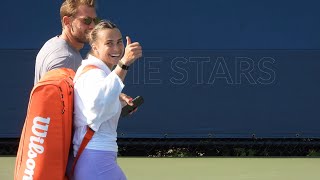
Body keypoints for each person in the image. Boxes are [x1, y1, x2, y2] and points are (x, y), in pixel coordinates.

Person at [72, 20, 142, 180]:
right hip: (95, 158)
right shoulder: (93, 74)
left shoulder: (96, 73)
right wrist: (124, 64)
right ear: (95, 47)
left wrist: (118, 99)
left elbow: (99, 100)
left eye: (119, 42)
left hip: (97, 157)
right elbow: (98, 107)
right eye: (109, 43)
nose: (117, 48)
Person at [34, 0, 98, 84]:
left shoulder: (51, 43)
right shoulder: (66, 59)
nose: (93, 26)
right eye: (86, 20)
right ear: (67, 22)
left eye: (95, 20)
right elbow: (54, 96)